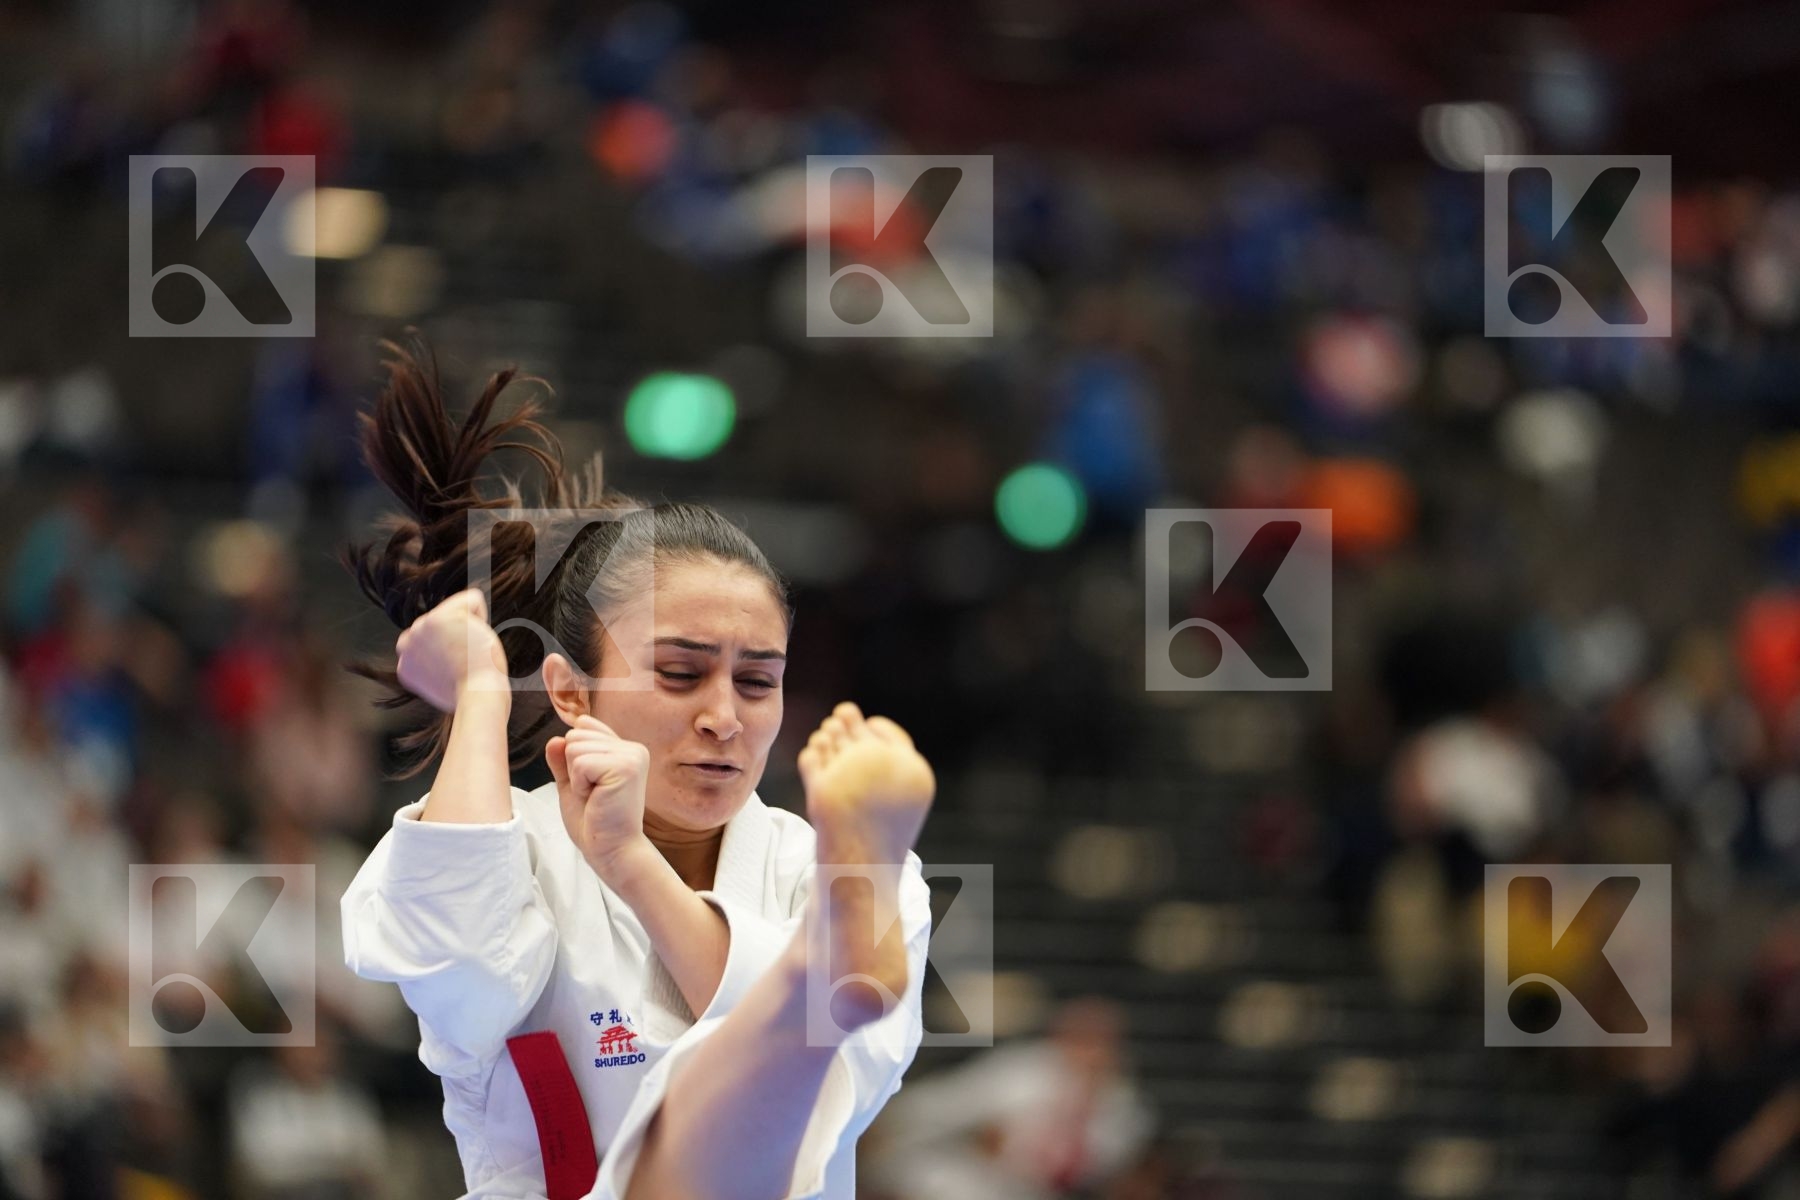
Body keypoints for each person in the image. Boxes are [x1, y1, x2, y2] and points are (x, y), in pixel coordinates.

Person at [336, 340, 937, 1200]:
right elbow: (457, 969)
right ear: (571, 695)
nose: (724, 717)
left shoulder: (834, 867)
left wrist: (632, 864)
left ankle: (816, 983)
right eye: (681, 673)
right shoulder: (518, 845)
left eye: (758, 681)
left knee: (791, 1078)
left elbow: (836, 1103)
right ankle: (810, 984)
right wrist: (479, 688)